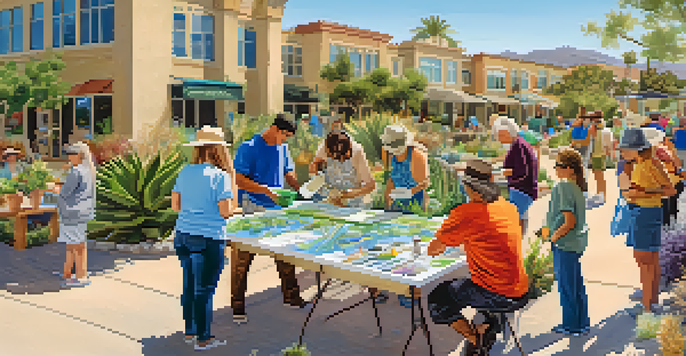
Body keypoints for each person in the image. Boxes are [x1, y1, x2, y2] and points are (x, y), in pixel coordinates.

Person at [427, 159, 529, 355]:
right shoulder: (508, 207)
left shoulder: (465, 213)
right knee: (473, 285)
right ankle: (488, 326)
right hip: (520, 290)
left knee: (438, 297)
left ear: (467, 186)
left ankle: (476, 339)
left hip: (495, 294)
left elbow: (434, 249)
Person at [232, 114, 308, 324]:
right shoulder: (248, 147)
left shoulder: (282, 148)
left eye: (288, 137)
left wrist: (300, 188)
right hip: (252, 206)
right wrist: (266, 190)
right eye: (284, 135)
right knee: (243, 257)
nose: (284, 140)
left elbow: (288, 171)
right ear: (274, 128)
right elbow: (239, 180)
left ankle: (291, 296)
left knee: (285, 251)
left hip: (277, 207)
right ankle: (237, 306)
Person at [171, 126, 236, 350]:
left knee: (189, 285)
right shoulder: (221, 176)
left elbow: (175, 206)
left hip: (183, 234)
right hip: (209, 237)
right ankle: (204, 338)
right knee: (205, 289)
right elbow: (225, 211)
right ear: (219, 150)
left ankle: (190, 332)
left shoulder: (184, 171)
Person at [619, 128, 676, 314]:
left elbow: (666, 191)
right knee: (652, 260)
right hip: (654, 212)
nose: (622, 152)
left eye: (625, 149)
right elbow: (668, 190)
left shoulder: (644, 166)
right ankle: (652, 302)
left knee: (644, 261)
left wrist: (638, 193)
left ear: (636, 149)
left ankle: (646, 308)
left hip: (643, 213)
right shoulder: (653, 163)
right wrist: (645, 192)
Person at [543, 148, 591, 335]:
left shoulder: (563, 187)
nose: (556, 169)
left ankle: (571, 325)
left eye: (559, 165)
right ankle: (582, 323)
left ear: (570, 169)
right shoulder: (577, 187)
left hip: (565, 243)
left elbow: (569, 221)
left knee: (566, 287)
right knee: (576, 284)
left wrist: (553, 236)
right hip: (575, 243)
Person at [53, 142, 96, 288]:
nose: (69, 157)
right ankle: (68, 274)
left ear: (80, 155)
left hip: (72, 212)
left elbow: (65, 192)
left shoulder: (76, 172)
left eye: (72, 154)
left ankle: (80, 276)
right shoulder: (88, 170)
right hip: (82, 212)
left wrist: (54, 189)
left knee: (75, 245)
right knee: (74, 243)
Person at [494, 117, 538, 236]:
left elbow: (521, 170)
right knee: (520, 218)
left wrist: (500, 173)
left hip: (522, 189)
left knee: (515, 220)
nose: (499, 139)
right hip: (524, 189)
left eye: (501, 135)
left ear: (508, 133)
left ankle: (516, 245)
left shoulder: (519, 146)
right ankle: (519, 245)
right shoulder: (519, 144)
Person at [309, 130, 376, 208]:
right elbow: (314, 167)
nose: (340, 161)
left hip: (353, 201)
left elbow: (370, 185)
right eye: (336, 158)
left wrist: (344, 195)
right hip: (330, 199)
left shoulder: (357, 151)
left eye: (344, 157)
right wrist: (317, 180)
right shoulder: (325, 146)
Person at [381, 125, 430, 213]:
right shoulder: (389, 155)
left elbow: (425, 183)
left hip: (415, 203)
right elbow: (391, 178)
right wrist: (387, 201)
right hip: (397, 202)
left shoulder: (416, 156)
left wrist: (407, 193)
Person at [587, 111, 613, 208]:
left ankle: (602, 194)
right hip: (597, 153)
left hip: (599, 153)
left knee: (599, 174)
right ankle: (600, 193)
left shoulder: (600, 128)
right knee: (597, 174)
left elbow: (606, 141)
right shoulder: (597, 127)